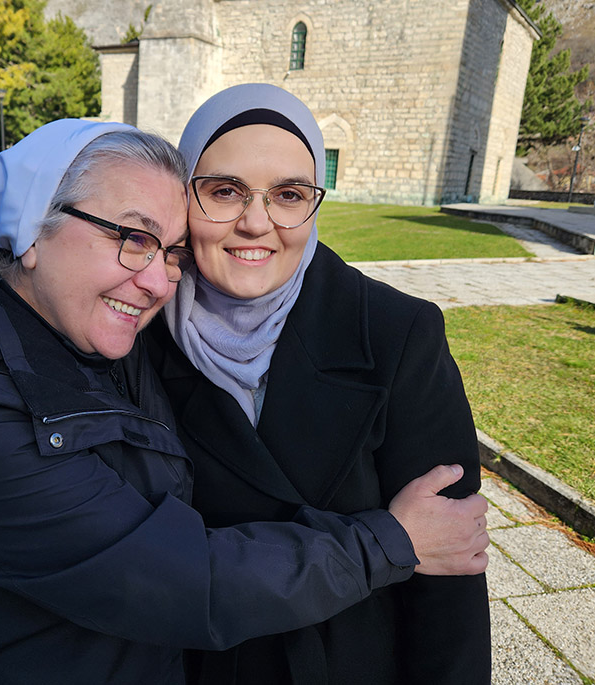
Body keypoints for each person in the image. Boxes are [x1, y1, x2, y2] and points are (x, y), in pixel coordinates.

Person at [0, 119, 487, 683]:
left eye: (171, 251)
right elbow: (170, 579)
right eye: (134, 238)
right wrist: (387, 541)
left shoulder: (95, 339)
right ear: (32, 230)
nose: (158, 282)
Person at [146, 83, 491, 683]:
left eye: (288, 194)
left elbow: (451, 567)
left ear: (315, 204)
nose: (257, 223)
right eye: (224, 191)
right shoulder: (137, 329)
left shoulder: (395, 334)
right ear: (186, 200)